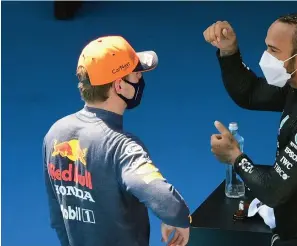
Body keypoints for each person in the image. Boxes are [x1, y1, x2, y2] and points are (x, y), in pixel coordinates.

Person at [204, 14, 297, 246]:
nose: (266, 57)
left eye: (273, 50)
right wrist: (229, 51)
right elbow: (250, 93)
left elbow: (273, 190)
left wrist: (235, 157)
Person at [42, 36, 191, 246]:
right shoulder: (122, 147)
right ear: (119, 85)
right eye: (137, 74)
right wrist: (179, 220)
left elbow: (58, 218)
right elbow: (170, 206)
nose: (141, 79)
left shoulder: (55, 134)